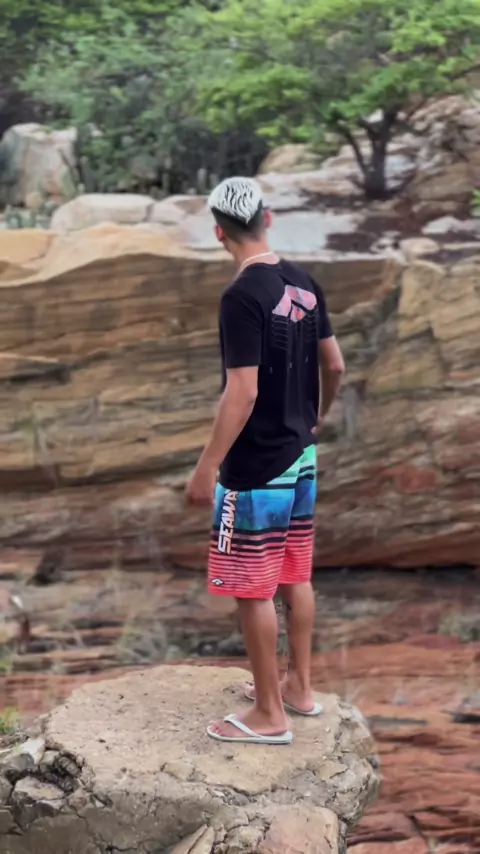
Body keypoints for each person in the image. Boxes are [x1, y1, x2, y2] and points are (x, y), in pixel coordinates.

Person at [186, 176, 345, 745]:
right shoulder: (304, 282)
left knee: (252, 588)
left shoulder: (241, 296)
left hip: (256, 466)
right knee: (294, 574)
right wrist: (317, 415)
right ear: (268, 219)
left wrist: (208, 465)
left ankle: (269, 716)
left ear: (219, 233)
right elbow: (335, 365)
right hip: (301, 454)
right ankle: (299, 689)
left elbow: (243, 391)